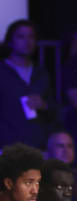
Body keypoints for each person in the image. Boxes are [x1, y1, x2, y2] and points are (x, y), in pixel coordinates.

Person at [0, 20, 57, 150]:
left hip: (37, 145)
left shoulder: (41, 73)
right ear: (10, 41)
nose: (27, 41)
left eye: (31, 36)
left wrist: (44, 105)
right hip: (7, 146)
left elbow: (54, 109)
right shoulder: (2, 71)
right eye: (21, 36)